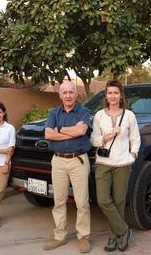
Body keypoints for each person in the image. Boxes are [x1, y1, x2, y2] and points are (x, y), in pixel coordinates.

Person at [90, 80, 141, 252]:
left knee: (119, 201)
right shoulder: (99, 116)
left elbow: (135, 138)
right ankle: (124, 230)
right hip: (104, 163)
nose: (112, 96)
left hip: (122, 163)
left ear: (121, 95)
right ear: (106, 95)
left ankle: (113, 237)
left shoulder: (129, 116)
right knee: (103, 199)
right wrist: (107, 137)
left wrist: (133, 154)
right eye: (109, 93)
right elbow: (93, 140)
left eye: (116, 93)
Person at [43, 81, 92, 253]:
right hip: (58, 161)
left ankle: (84, 237)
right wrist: (70, 132)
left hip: (78, 160)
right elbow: (48, 134)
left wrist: (60, 130)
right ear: (60, 95)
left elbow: (81, 131)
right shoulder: (54, 112)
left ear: (76, 94)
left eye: (71, 92)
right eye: (65, 93)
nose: (68, 95)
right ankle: (59, 236)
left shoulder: (83, 111)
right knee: (59, 202)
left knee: (82, 203)